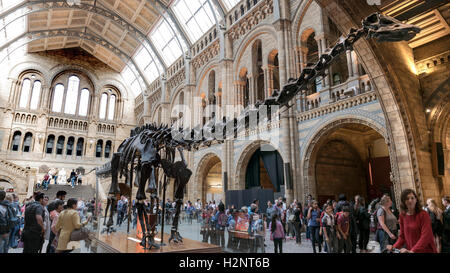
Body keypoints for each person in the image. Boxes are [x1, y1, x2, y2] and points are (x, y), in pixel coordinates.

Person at [387, 189, 437, 253]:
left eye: (412, 198)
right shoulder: (402, 215)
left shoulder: (423, 214)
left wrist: (413, 250)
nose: (410, 200)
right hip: (411, 249)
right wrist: (394, 247)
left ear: (416, 200)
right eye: (407, 199)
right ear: (403, 201)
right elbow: (402, 236)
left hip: (425, 249)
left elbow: (426, 236)